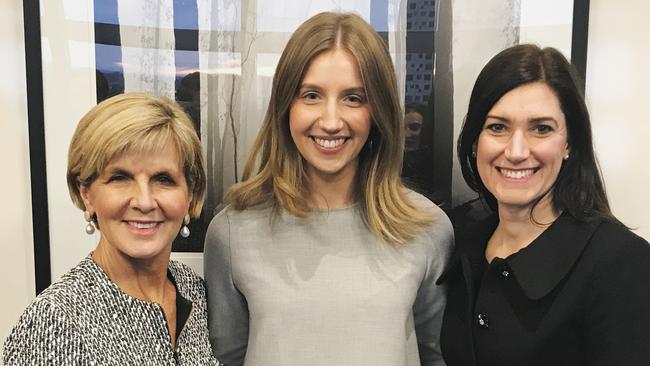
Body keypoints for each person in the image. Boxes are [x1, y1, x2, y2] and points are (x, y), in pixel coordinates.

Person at [204, 12, 453, 366]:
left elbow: (436, 357)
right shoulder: (232, 232)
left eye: (353, 98)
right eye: (311, 95)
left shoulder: (428, 229)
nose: (332, 121)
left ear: (378, 110)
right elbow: (226, 358)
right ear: (285, 105)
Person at [438, 44, 650, 366]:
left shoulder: (619, 262)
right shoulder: (460, 239)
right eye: (498, 127)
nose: (517, 151)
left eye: (541, 129)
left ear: (569, 143)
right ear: (474, 140)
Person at [3, 93, 221, 365]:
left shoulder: (193, 290)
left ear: (189, 195)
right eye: (120, 178)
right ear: (86, 194)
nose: (143, 201)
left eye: (163, 179)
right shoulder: (54, 322)